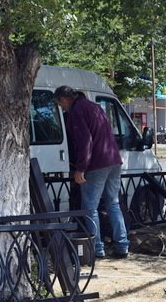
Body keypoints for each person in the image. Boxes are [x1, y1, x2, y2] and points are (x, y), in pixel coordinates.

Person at [54, 85, 129, 259]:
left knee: (89, 208)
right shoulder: (93, 107)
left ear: (64, 99)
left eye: (60, 104)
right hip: (113, 160)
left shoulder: (77, 111)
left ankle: (96, 248)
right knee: (113, 204)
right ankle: (122, 245)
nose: (61, 108)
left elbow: (85, 141)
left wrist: (80, 168)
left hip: (96, 164)